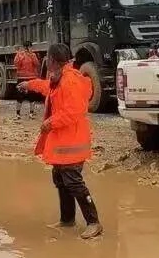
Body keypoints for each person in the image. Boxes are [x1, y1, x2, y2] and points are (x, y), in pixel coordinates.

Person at [18, 43, 103, 239]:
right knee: (61, 180)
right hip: (63, 143)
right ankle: (67, 220)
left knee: (73, 182)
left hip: (72, 143)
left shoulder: (70, 81)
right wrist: (29, 84)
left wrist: (50, 122)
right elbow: (47, 87)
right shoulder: (59, 77)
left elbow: (73, 111)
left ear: (53, 61)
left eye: (48, 59)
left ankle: (94, 222)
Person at [13, 41, 41, 117]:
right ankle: (18, 113)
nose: (29, 48)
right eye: (29, 47)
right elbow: (16, 64)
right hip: (21, 78)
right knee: (20, 96)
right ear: (25, 47)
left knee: (32, 96)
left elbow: (37, 64)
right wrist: (22, 56)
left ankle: (31, 113)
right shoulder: (19, 54)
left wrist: (32, 55)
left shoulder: (33, 55)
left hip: (31, 78)